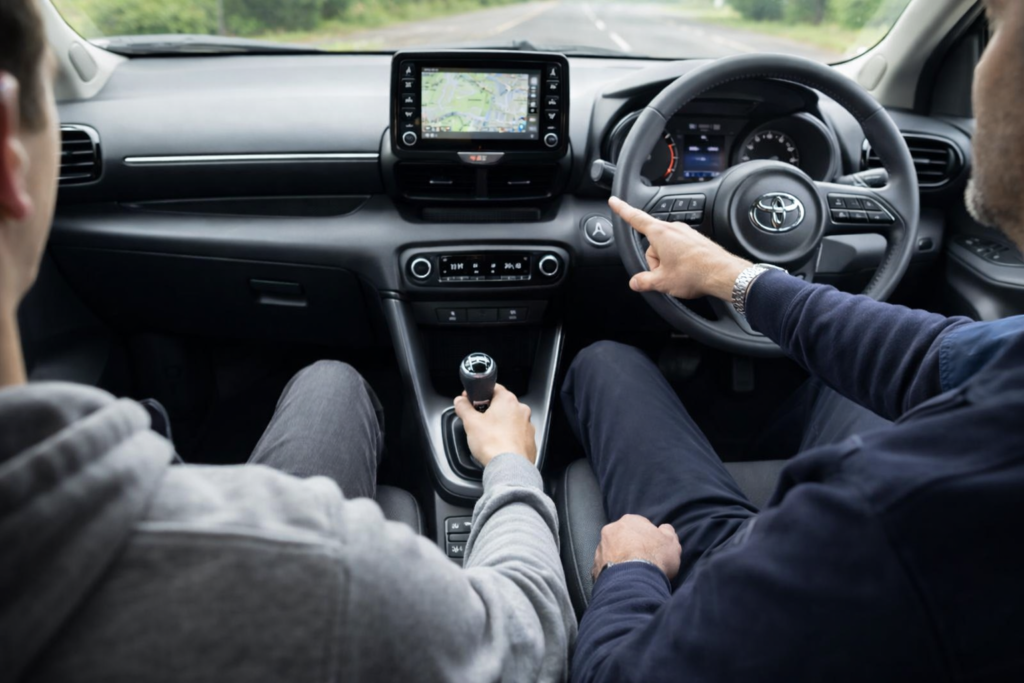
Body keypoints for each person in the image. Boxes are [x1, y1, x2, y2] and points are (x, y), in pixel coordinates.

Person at [0, 1, 574, 680]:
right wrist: (510, 464)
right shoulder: (321, 570)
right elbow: (527, 638)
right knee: (334, 381)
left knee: (330, 375)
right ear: (10, 149)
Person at [566, 0, 1024, 681]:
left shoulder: (891, 518)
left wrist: (631, 570)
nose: (981, 66)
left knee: (603, 360)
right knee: (828, 375)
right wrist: (734, 276)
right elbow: (932, 356)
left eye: (994, 27)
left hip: (750, 581)